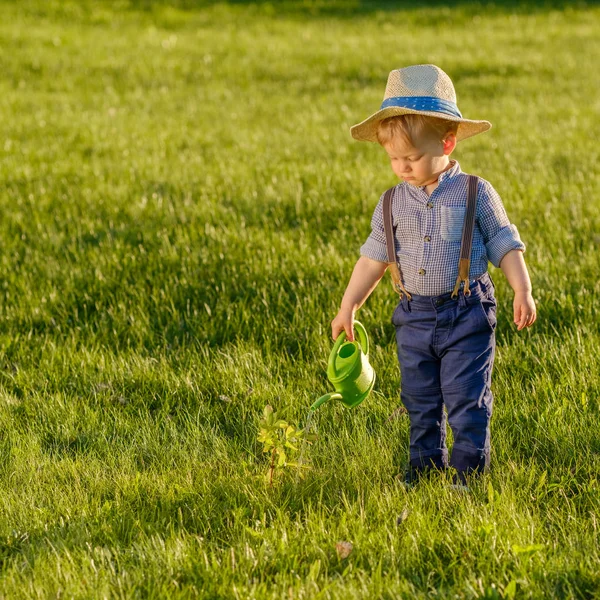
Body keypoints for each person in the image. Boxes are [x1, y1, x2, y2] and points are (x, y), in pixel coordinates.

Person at [331, 64, 536, 488]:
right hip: (414, 316)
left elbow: (503, 242)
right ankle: (424, 469)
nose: (403, 167)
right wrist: (349, 304)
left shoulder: (475, 192)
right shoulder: (391, 203)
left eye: (413, 157)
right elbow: (373, 258)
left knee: (466, 398)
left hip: (467, 312)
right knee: (420, 399)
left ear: (447, 141)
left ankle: (466, 474)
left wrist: (522, 288)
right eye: (394, 159)